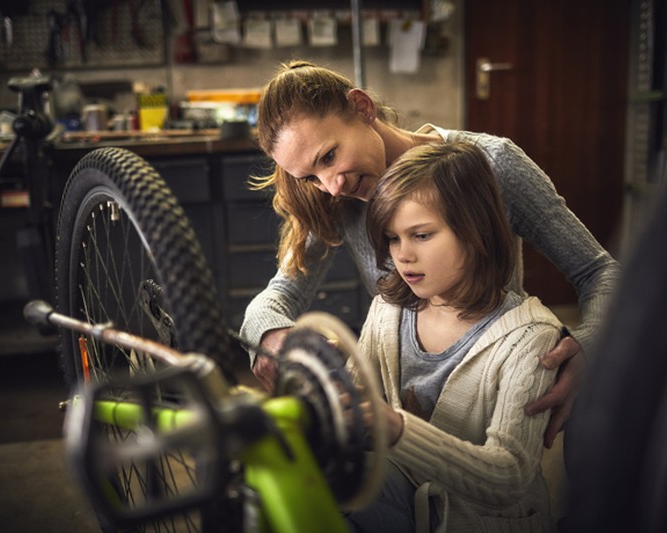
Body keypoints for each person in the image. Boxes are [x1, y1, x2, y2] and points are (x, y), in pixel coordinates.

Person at [240, 60, 620, 448]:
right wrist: (270, 334)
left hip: (489, 398)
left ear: (363, 108)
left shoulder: (492, 163)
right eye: (310, 177)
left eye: (328, 156)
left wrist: (591, 344)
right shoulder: (336, 195)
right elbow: (276, 296)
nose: (330, 187)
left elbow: (600, 271)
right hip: (401, 418)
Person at [343, 140, 562, 532]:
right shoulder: (387, 311)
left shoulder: (531, 338)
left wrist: (398, 429)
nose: (403, 255)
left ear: (474, 231)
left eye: (421, 235)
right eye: (393, 238)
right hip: (401, 500)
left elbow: (508, 477)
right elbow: (354, 410)